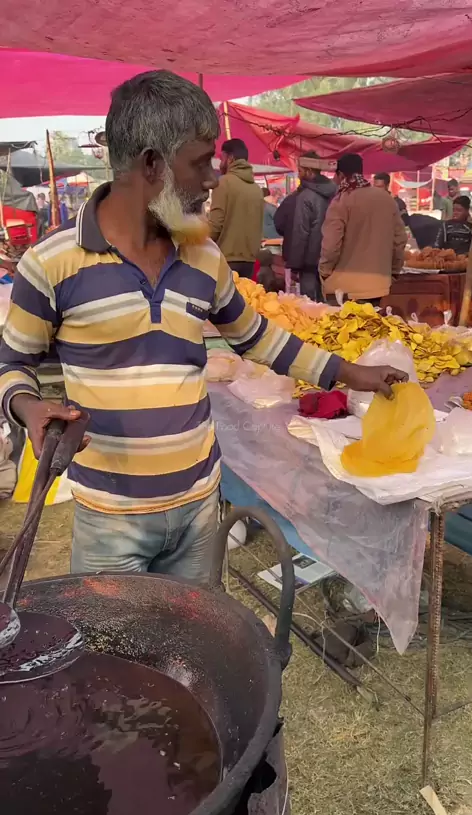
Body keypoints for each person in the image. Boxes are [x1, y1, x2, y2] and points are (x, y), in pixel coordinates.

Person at [0, 70, 407, 583]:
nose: (213, 179)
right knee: (116, 637)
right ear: (152, 164)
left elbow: (259, 338)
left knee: (195, 635)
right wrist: (28, 406)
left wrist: (351, 373)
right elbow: (12, 364)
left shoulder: (203, 256)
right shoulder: (51, 263)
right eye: (200, 163)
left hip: (198, 506)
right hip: (110, 518)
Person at [320, 153, 407, 305]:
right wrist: (393, 271)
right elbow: (399, 240)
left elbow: (331, 245)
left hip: (344, 288)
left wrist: (324, 272)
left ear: (340, 175)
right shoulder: (386, 199)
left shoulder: (341, 202)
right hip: (379, 285)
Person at [274, 152, 336, 301]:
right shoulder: (336, 193)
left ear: (308, 172)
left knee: (309, 305)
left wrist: (295, 266)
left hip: (308, 262)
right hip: (330, 258)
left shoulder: (305, 197)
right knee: (326, 304)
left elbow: (300, 232)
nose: (298, 175)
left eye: (300, 171)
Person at [208, 138, 263, 279]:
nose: (220, 163)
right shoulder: (256, 189)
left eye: (222, 158)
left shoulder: (223, 183)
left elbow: (215, 225)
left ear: (230, 158)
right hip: (250, 260)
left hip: (226, 258)